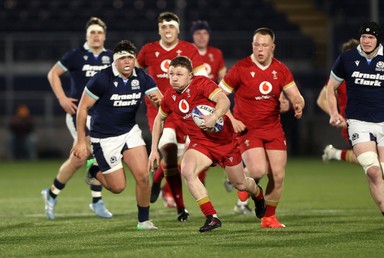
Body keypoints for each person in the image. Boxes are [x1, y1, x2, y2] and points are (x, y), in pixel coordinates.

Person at [148, 56, 266, 233]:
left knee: (240, 184)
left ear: (191, 76)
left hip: (225, 142)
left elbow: (224, 100)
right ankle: (211, 217)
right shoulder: (170, 96)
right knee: (187, 170)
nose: (173, 78)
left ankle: (258, 194)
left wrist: (213, 117)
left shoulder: (202, 83)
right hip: (200, 143)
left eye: (179, 74)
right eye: (171, 74)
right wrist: (153, 150)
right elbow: (159, 119)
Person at [219, 27, 305, 228]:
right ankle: (240, 179)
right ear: (252, 45)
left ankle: (269, 218)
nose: (260, 49)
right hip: (248, 129)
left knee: (277, 175)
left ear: (272, 47)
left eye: (264, 45)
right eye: (256, 44)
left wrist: (298, 104)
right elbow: (218, 96)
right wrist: (231, 119)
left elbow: (295, 95)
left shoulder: (281, 69)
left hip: (273, 128)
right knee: (258, 170)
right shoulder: (240, 69)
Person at [71, 40, 160, 230]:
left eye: (130, 57)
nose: (127, 62)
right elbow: (82, 108)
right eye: (122, 58)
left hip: (129, 131)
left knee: (143, 175)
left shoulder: (142, 77)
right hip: (104, 138)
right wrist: (80, 141)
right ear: (115, 61)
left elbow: (161, 103)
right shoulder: (102, 79)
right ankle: (93, 170)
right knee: (118, 187)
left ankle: (143, 221)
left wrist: (160, 104)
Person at [326, 21, 384, 233]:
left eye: (371, 38)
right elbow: (331, 87)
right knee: (374, 171)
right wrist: (334, 113)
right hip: (358, 122)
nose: (366, 41)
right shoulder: (347, 58)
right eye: (364, 37)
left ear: (378, 40)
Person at [136, 11, 207, 220]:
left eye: (171, 27)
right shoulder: (148, 50)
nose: (167, 30)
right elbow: (136, 74)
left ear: (177, 29)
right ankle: (181, 208)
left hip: (185, 111)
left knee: (180, 160)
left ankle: (157, 180)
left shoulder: (189, 49)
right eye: (164, 27)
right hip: (159, 112)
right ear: (159, 29)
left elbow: (201, 77)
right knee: (168, 151)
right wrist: (147, 91)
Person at [41, 17, 113, 220]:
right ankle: (91, 199)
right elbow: (53, 74)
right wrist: (62, 98)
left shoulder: (112, 57)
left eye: (99, 32)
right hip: (79, 114)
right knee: (85, 154)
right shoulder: (76, 55)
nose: (96, 36)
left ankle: (57, 193)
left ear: (104, 36)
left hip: (102, 116)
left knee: (87, 158)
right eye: (92, 33)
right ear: (87, 36)